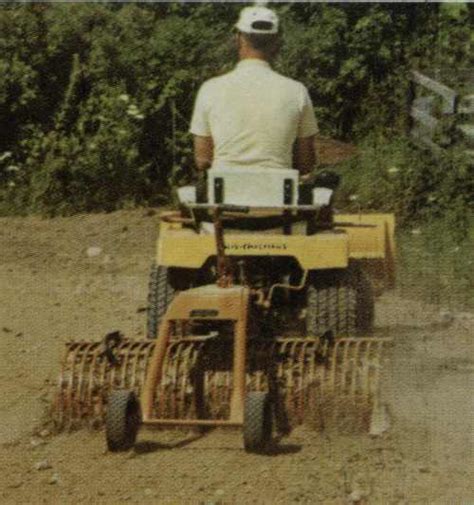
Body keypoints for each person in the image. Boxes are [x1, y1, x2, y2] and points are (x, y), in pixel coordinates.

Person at [189, 5, 318, 178]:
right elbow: (306, 162)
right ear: (276, 42)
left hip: (224, 195)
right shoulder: (297, 91)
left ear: (238, 38)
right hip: (278, 195)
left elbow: (202, 160)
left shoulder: (210, 89)